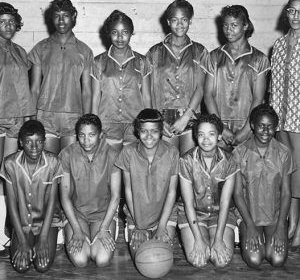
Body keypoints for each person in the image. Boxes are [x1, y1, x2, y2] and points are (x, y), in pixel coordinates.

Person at [29, 0, 93, 155]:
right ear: (51, 18)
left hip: (73, 117)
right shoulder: (41, 48)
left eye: (65, 15)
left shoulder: (84, 51)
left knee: (68, 169)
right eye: (57, 15)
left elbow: (86, 91)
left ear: (73, 17)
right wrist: (31, 120)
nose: (61, 20)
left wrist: (86, 122)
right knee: (49, 168)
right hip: (45, 116)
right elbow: (35, 88)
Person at [146, 0, 210, 155]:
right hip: (162, 119)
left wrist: (186, 117)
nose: (180, 24)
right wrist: (158, 120)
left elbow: (200, 88)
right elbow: (149, 90)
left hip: (190, 116)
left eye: (184, 20)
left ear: (190, 21)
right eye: (175, 20)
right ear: (168, 21)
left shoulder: (200, 51)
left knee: (189, 169)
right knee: (168, 170)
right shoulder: (154, 52)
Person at [233, 104, 293, 268]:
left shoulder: (283, 152)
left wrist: (281, 225)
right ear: (252, 125)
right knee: (254, 260)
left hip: (274, 215)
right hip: (249, 214)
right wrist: (250, 226)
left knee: (277, 259)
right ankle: (250, 232)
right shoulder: (239, 152)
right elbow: (238, 194)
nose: (266, 131)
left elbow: (287, 193)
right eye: (261, 126)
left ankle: (269, 236)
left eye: (271, 127)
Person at [0, 120, 63, 273]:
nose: (34, 147)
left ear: (44, 142)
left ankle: (50, 238)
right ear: (20, 143)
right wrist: (22, 240)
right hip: (22, 222)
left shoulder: (53, 162)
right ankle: (23, 239)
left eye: (39, 142)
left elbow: (51, 203)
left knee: (42, 266)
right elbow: (12, 206)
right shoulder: (10, 164)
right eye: (28, 142)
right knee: (21, 267)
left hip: (47, 222)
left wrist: (42, 239)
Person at [114, 109, 179, 258]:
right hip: (137, 215)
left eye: (154, 131)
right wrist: (138, 225)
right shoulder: (128, 152)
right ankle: (130, 229)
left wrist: (162, 227)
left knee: (160, 257)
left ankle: (164, 228)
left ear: (161, 131)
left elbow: (172, 192)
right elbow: (128, 191)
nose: (149, 136)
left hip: (164, 214)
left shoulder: (172, 152)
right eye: (144, 131)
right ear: (137, 132)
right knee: (143, 257)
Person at [205, 5, 269, 151]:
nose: (228, 30)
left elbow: (258, 98)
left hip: (248, 126)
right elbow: (208, 95)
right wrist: (221, 127)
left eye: (234, 25)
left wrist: (247, 130)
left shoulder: (259, 59)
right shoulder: (214, 56)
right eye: (225, 25)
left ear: (245, 25)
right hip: (219, 126)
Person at [59, 114, 121, 268]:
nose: (86, 140)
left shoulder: (112, 154)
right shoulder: (67, 154)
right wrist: (76, 230)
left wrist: (105, 228)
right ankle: (67, 231)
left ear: (100, 135)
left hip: (102, 214)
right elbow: (65, 196)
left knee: (102, 260)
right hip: (77, 213)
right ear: (77, 135)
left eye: (92, 135)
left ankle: (106, 231)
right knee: (80, 261)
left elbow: (115, 196)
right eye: (82, 135)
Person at [178, 114, 238, 268]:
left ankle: (215, 238)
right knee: (199, 261)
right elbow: (188, 204)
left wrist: (218, 239)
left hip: (220, 214)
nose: (206, 139)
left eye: (211, 134)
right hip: (194, 215)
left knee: (221, 261)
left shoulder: (230, 160)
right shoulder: (186, 161)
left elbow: (225, 202)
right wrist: (198, 239)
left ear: (219, 136)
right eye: (201, 134)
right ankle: (200, 238)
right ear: (195, 136)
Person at [0, 2, 35, 254]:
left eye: (11, 21)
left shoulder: (21, 52)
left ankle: (10, 232)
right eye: (2, 21)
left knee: (10, 177)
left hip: (17, 125)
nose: (8, 26)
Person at [92, 10, 151, 152]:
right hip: (107, 124)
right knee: (111, 169)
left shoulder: (142, 61)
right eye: (114, 32)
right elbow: (95, 97)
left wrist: (148, 124)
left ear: (131, 33)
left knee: (132, 169)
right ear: (108, 34)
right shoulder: (98, 61)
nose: (119, 37)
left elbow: (146, 96)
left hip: (134, 125)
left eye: (124, 32)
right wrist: (95, 126)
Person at [270, 0, 300, 250]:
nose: (295, 16)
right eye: (291, 11)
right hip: (281, 120)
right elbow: (274, 87)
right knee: (288, 173)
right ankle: (290, 223)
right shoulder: (278, 45)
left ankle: (298, 230)